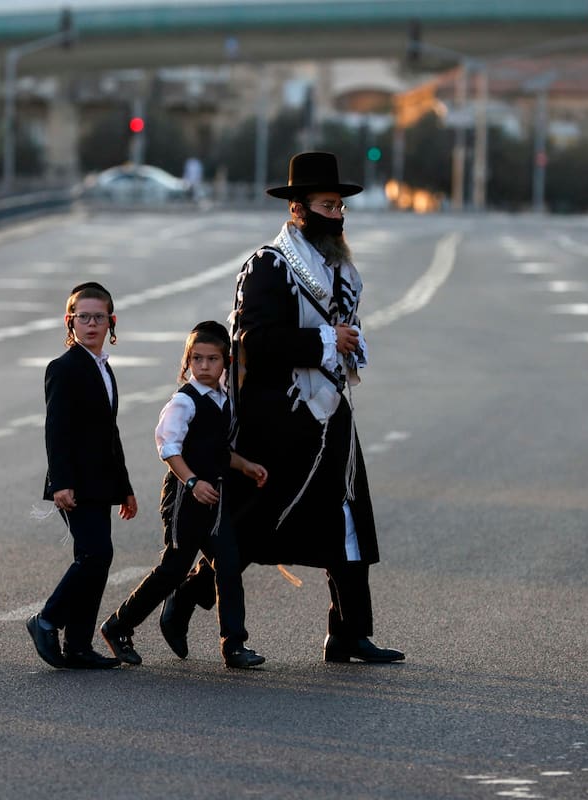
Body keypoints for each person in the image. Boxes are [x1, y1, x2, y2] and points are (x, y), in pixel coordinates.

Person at [161, 151, 404, 664]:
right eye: (326, 205)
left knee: (346, 518)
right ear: (298, 209)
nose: (337, 215)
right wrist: (323, 340)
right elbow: (251, 339)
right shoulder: (268, 264)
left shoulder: (342, 269)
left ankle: (349, 632)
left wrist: (349, 345)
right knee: (255, 525)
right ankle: (186, 597)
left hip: (331, 412)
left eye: (340, 206)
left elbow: (345, 332)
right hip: (278, 417)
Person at [98, 321, 269, 669]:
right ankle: (118, 626)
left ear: (227, 361)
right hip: (184, 498)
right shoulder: (183, 402)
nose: (204, 366)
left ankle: (233, 646)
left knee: (229, 566)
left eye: (212, 359)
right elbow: (169, 448)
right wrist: (192, 482)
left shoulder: (224, 400)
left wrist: (246, 465)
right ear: (187, 361)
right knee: (174, 569)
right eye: (197, 359)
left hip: (216, 496)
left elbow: (218, 450)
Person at [26, 281, 139, 670]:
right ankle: (46, 620)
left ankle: (77, 646)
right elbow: (55, 430)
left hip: (101, 484)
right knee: (96, 554)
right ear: (69, 321)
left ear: (112, 321)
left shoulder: (104, 368)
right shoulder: (64, 368)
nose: (91, 324)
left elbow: (111, 434)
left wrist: (124, 488)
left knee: (95, 558)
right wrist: (60, 483)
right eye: (83, 317)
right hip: (73, 483)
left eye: (99, 317)